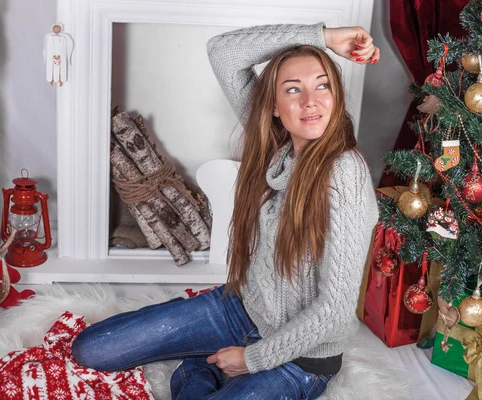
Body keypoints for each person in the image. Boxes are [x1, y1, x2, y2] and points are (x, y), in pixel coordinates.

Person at [72, 22, 380, 399]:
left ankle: (198, 370)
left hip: (301, 360)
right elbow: (224, 52)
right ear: (273, 107)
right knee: (91, 349)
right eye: (293, 89)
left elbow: (334, 311)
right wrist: (325, 38)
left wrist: (251, 360)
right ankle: (202, 360)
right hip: (237, 308)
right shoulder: (275, 148)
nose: (310, 101)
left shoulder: (345, 172)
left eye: (323, 85)